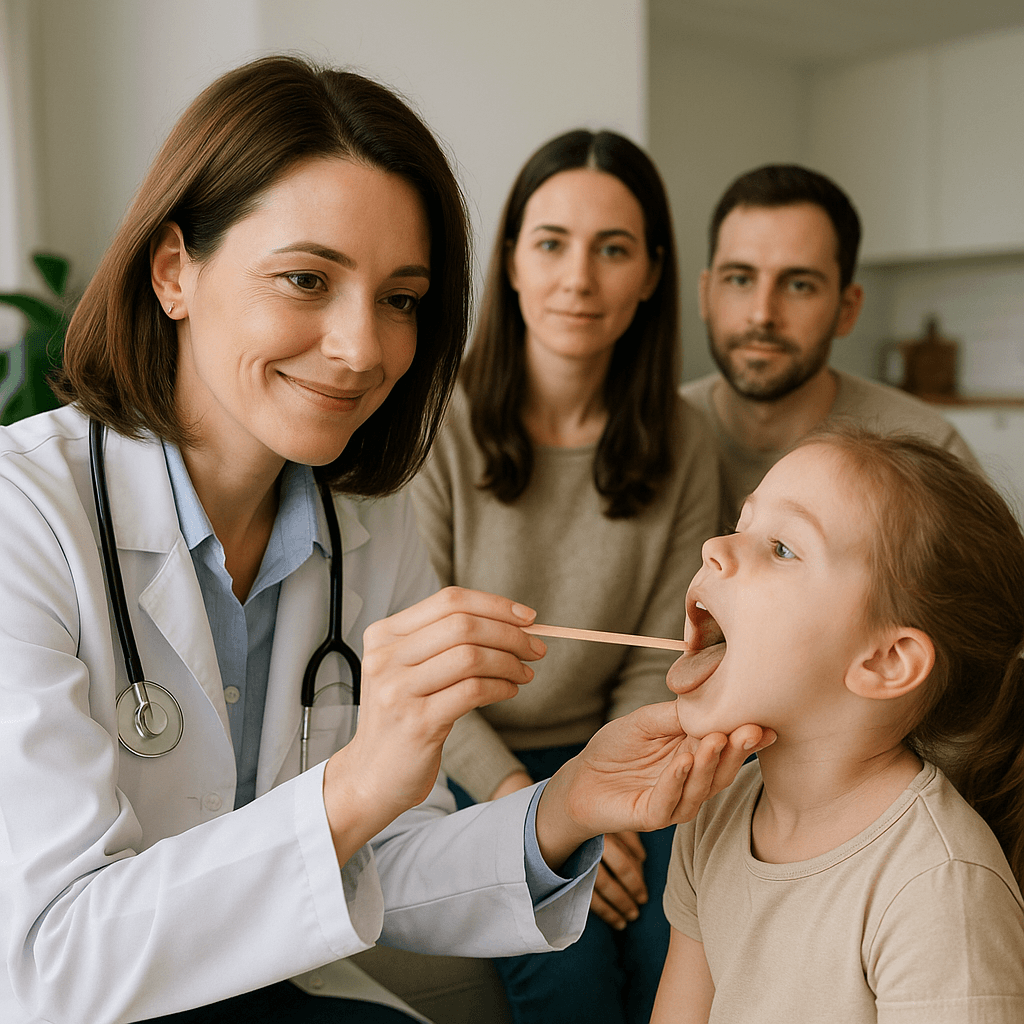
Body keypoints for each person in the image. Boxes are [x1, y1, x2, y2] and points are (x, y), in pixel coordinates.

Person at [0, 58, 775, 1024]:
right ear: (173, 272)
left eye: (401, 298)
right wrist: (360, 779)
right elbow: (51, 963)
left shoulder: (363, 521)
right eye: (305, 279)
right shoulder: (23, 519)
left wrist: (570, 802)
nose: (364, 348)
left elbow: (386, 864)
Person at [411, 129, 720, 1024]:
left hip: (619, 740)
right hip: (467, 756)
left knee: (674, 943)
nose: (578, 279)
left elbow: (662, 652)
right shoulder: (437, 422)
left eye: (612, 250)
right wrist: (536, 803)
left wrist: (610, 794)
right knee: (570, 970)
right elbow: (431, 667)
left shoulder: (682, 440)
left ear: (653, 273)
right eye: (551, 243)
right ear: (510, 259)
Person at [650, 427, 1024, 1023]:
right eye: (741, 522)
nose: (716, 547)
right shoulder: (714, 817)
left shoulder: (940, 889)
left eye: (782, 548)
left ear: (885, 661)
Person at [680, 164, 977, 528]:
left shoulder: (928, 450)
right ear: (705, 295)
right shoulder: (647, 433)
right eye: (740, 279)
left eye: (799, 285)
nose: (762, 314)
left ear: (846, 310)